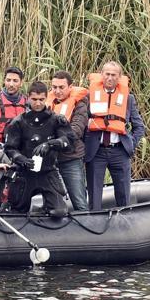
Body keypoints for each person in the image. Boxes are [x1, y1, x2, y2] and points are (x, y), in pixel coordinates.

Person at [4, 81, 75, 216]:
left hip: (47, 172)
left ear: (46, 98)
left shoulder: (56, 120)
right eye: (34, 99)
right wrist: (22, 159)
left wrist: (51, 144)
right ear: (28, 98)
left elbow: (69, 141)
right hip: (25, 173)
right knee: (17, 211)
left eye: (41, 99)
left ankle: (42, 210)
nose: (38, 103)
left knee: (59, 212)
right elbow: (10, 149)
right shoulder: (18, 122)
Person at [84, 61, 145, 210]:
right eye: (107, 74)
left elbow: (139, 127)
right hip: (96, 151)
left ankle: (124, 226)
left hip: (120, 151)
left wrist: (130, 143)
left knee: (123, 195)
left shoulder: (128, 99)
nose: (110, 78)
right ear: (102, 75)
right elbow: (81, 123)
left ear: (119, 78)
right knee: (94, 196)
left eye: (113, 75)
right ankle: (94, 225)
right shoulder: (90, 96)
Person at [46, 70, 89, 211]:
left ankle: (85, 224)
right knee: (49, 201)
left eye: (61, 87)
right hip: (49, 160)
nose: (57, 91)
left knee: (79, 200)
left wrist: (57, 141)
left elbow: (77, 129)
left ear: (70, 87)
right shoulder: (45, 103)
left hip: (71, 158)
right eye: (54, 87)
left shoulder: (80, 104)